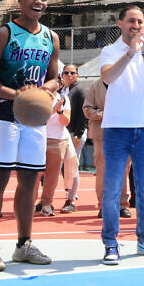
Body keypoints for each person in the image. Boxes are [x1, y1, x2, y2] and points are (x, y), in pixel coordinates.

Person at [0, 0, 60, 272]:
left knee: (29, 180)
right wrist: (17, 96)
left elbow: (54, 78)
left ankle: (24, 244)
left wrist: (43, 91)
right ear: (20, 0)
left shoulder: (51, 37)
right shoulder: (5, 33)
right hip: (4, 113)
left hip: (35, 118)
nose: (39, 2)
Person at [99, 5, 144, 265]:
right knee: (112, 190)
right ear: (120, 23)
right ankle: (110, 242)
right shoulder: (110, 51)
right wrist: (130, 53)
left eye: (140, 21)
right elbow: (108, 77)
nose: (136, 25)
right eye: (131, 20)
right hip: (116, 128)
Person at [83, 77, 131, 218]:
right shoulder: (95, 85)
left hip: (123, 132)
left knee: (124, 169)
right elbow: (87, 109)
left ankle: (122, 205)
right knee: (102, 170)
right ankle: (104, 205)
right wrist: (105, 114)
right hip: (101, 134)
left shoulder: (126, 83)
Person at [36, 79, 70, 216]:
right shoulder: (37, 97)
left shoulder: (64, 98)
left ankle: (46, 204)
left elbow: (66, 121)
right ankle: (28, 203)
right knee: (35, 174)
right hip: (38, 138)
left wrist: (60, 111)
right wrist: (52, 109)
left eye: (58, 82)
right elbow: (38, 118)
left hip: (58, 140)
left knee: (52, 176)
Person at [60, 65, 86, 211]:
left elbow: (83, 114)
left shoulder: (79, 91)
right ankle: (47, 200)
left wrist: (78, 134)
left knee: (72, 166)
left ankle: (71, 200)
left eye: (72, 72)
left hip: (74, 133)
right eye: (66, 72)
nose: (69, 75)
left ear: (77, 75)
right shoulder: (60, 91)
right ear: (62, 75)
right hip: (60, 133)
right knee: (59, 167)